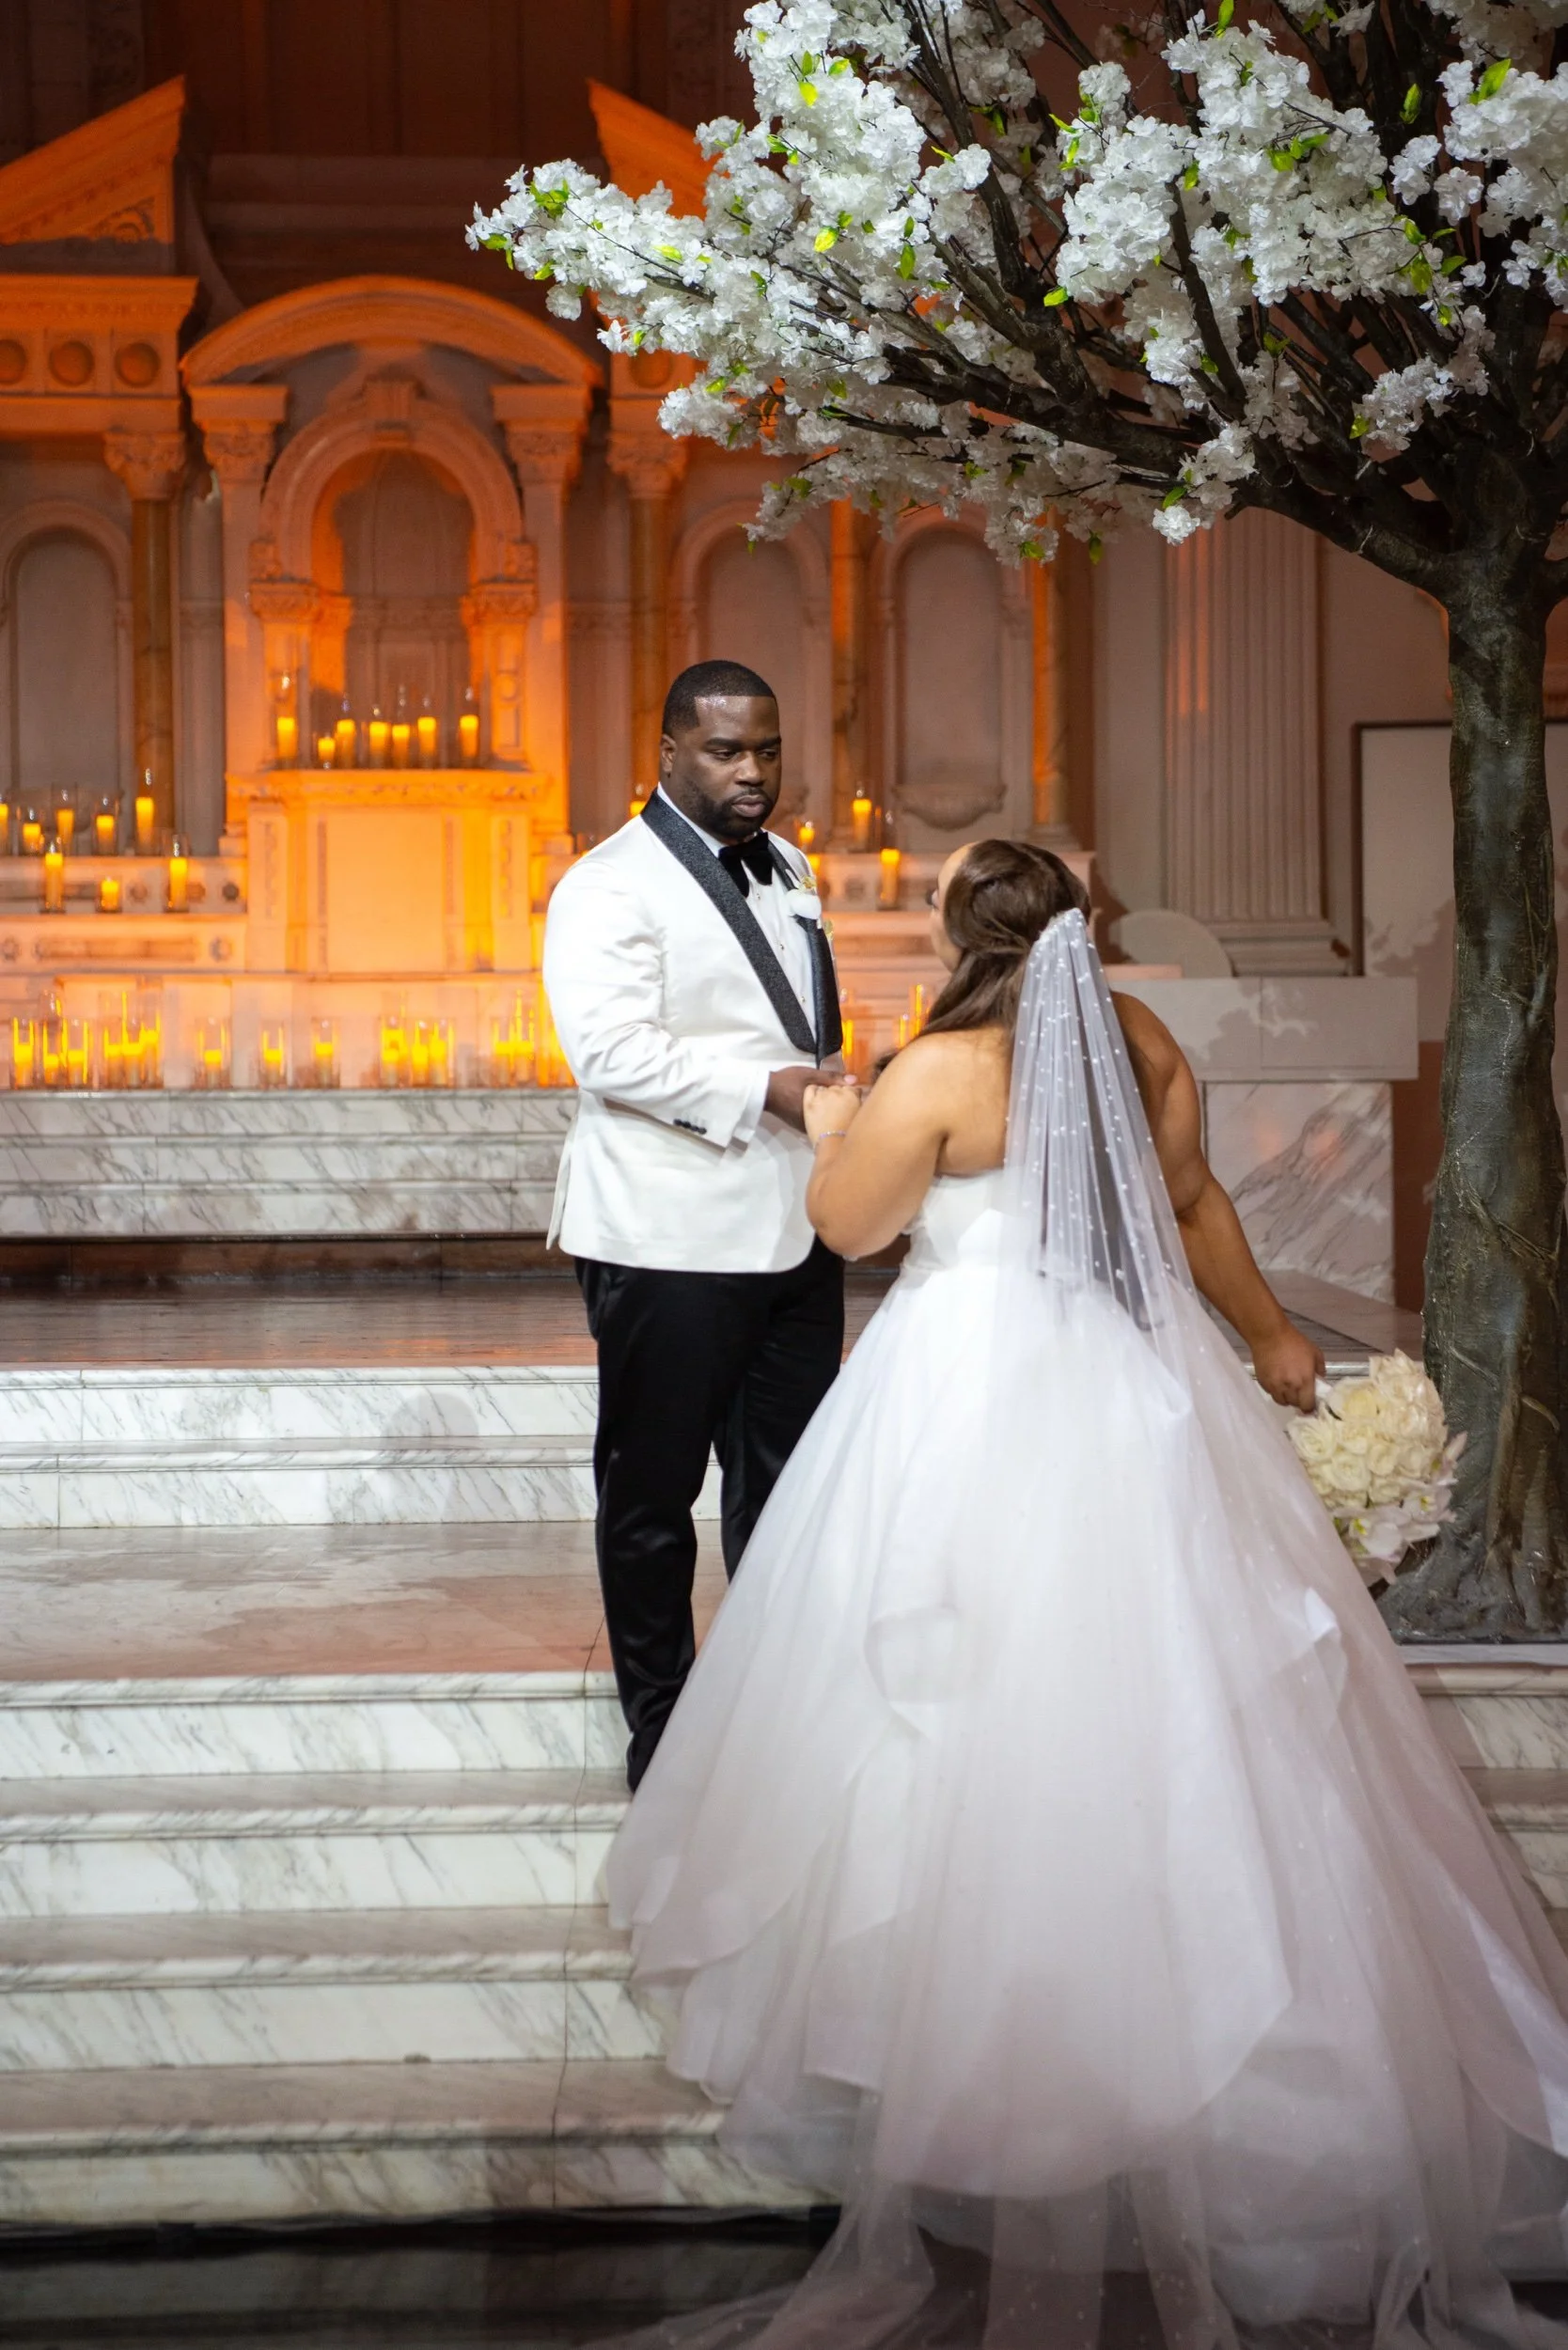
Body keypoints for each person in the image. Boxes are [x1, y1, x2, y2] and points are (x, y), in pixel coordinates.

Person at [606, 838, 1568, 2348]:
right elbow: (1193, 1215)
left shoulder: (934, 1073)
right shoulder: (1143, 1046)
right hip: (1122, 1387)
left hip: (952, 1396)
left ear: (952, 936)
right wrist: (1275, 1345)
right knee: (1168, 1704)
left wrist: (844, 1119)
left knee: (934, 1705)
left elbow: (846, 1230)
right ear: (1079, 931)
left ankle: (955, 2072)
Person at [543, 659, 854, 1790]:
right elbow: (609, 1054)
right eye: (727, 750)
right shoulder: (607, 884)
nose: (754, 772)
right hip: (664, 1238)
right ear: (668, 750)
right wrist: (772, 1091)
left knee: (784, 1496)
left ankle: (768, 1724)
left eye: (767, 748)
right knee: (652, 1498)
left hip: (794, 1229)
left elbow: (797, 1026)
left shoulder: (793, 868)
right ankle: (664, 1739)